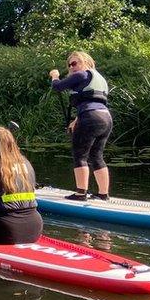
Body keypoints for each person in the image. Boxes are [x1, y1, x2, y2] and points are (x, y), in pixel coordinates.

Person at [49, 51, 112, 201]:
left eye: (75, 63)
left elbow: (57, 87)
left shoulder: (81, 74)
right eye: (69, 65)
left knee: (79, 155)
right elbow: (94, 99)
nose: (72, 67)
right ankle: (103, 194)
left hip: (90, 117)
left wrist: (54, 75)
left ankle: (80, 193)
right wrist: (77, 119)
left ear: (86, 62)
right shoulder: (98, 78)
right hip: (105, 118)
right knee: (96, 155)